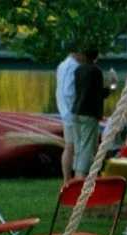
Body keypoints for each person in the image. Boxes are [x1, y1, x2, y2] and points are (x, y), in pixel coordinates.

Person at [71, 47, 105, 177]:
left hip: (76, 110)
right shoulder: (96, 70)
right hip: (89, 112)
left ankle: (77, 173)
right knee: (87, 146)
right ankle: (81, 176)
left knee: (78, 144)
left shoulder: (78, 69)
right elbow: (98, 94)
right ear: (97, 55)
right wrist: (109, 89)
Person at [55, 47, 81, 179]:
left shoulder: (62, 65)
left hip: (64, 110)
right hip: (72, 111)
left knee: (69, 146)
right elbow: (68, 91)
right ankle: (71, 177)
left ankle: (67, 178)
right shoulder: (74, 67)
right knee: (72, 146)